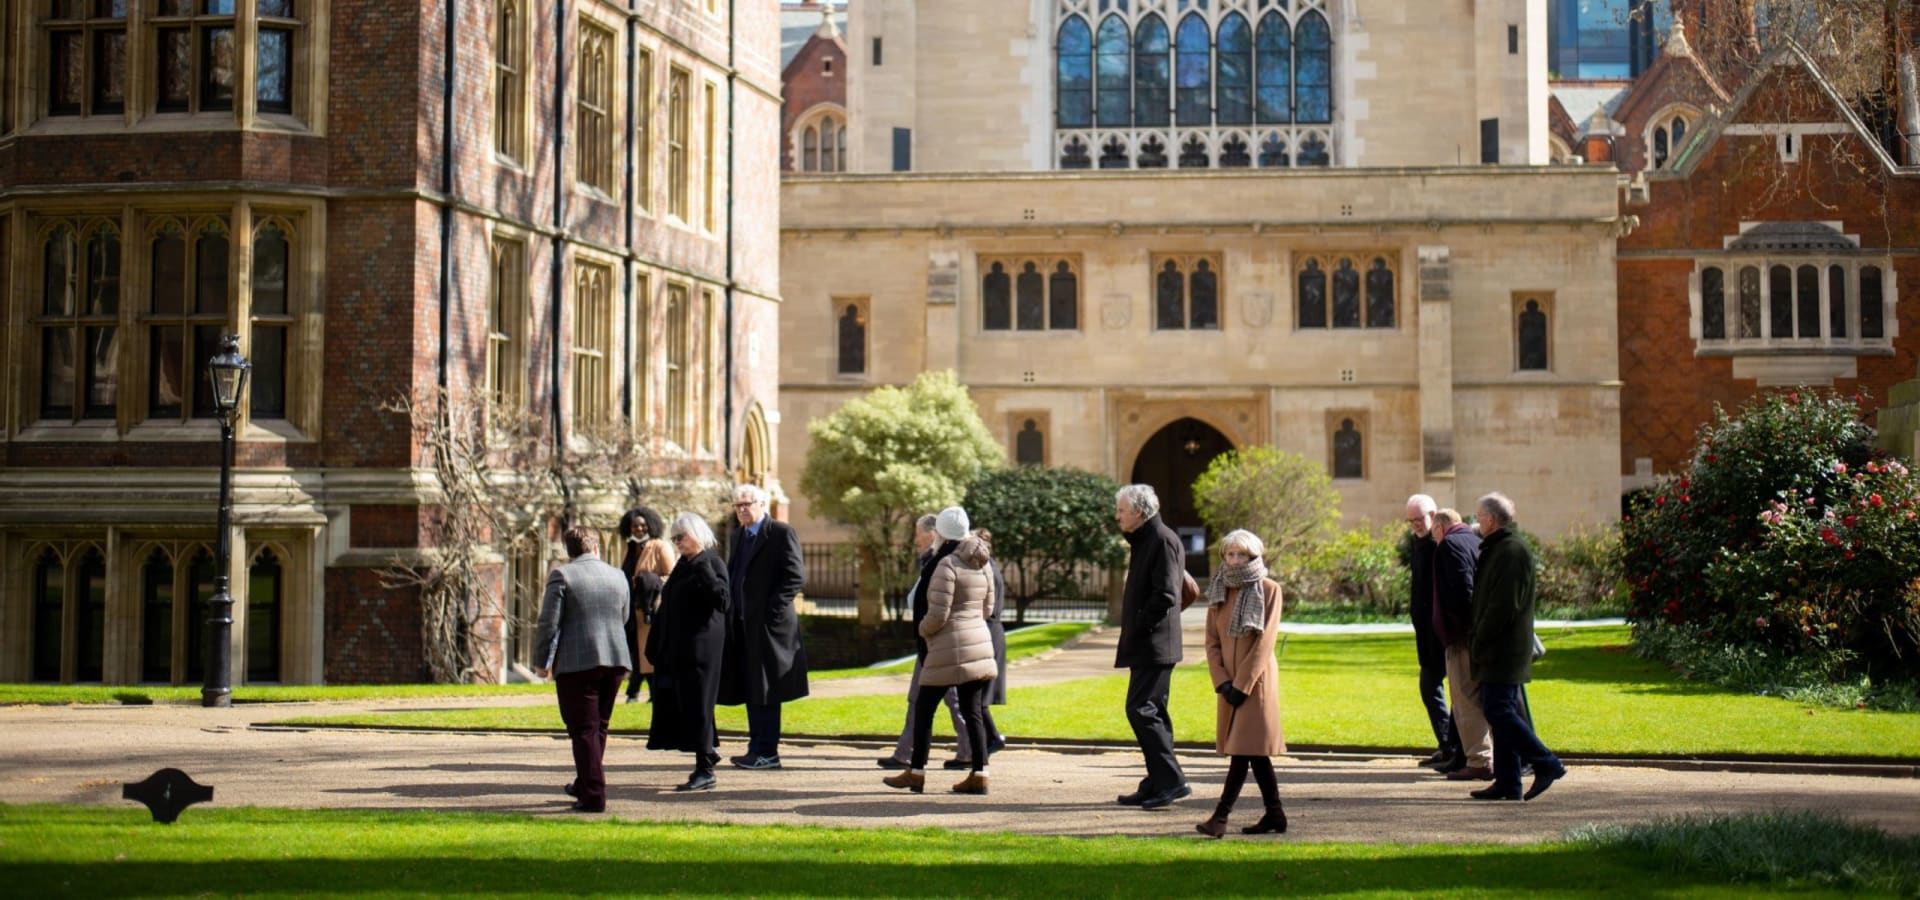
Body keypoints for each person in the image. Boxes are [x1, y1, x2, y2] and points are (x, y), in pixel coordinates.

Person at [884, 515, 999, 795]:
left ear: (942, 533)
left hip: (948, 646)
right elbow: (988, 608)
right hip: (979, 640)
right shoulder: (982, 563)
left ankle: (917, 771)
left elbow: (938, 614)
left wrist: (923, 630)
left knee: (924, 709)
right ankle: (980, 773)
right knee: (972, 710)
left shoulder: (946, 563)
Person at [1468, 492, 1568, 802]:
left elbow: (1503, 606)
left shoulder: (1510, 551)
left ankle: (1545, 762)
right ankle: (1508, 781)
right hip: (1498, 647)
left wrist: (1481, 637)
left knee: (1500, 710)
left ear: (1491, 520)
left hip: (1503, 648)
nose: (1477, 522)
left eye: (1480, 517)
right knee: (1499, 711)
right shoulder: (1502, 548)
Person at [1195, 529, 1289, 838]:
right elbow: (1211, 642)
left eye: (1242, 555)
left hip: (1256, 683)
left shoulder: (1269, 589)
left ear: (1254, 556)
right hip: (1228, 685)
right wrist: (1222, 682)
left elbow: (1265, 642)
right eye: (1230, 554)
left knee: (1242, 751)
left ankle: (1220, 818)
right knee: (1253, 752)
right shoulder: (1220, 590)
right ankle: (1275, 815)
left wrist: (1242, 685)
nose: (1235, 560)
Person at [533, 525, 632, 813]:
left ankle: (593, 795)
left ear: (570, 550)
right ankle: (585, 781)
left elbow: (548, 624)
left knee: (583, 729)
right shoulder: (618, 575)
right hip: (615, 658)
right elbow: (623, 616)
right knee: (599, 726)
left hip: (578, 662)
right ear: (596, 547)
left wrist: (542, 661)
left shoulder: (562, 575)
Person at [719, 483, 808, 770]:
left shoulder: (780, 533)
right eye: (738, 505)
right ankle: (755, 747)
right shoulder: (739, 535)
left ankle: (767, 752)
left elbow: (795, 576)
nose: (742, 509)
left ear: (762, 504)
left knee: (768, 690)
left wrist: (770, 611)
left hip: (770, 628)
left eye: (747, 504)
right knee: (751, 688)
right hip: (744, 627)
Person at [1113, 484, 1189, 810]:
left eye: (1121, 511)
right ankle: (1157, 780)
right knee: (1151, 711)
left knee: (1141, 710)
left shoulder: (1162, 540)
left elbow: (1167, 595)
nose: (1117, 516)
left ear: (1140, 512)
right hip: (1147, 642)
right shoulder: (1146, 540)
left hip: (1155, 642)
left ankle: (1171, 781)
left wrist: (1141, 623)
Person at [646, 512, 731, 792]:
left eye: (680, 537)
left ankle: (704, 769)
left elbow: (722, 600)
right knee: (689, 703)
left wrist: (704, 572)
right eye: (674, 539)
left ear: (696, 534)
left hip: (702, 647)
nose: (677, 543)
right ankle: (706, 753)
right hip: (681, 647)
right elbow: (669, 604)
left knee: (700, 704)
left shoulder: (710, 562)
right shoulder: (684, 564)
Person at [1430, 508, 1492, 781]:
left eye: (1433, 531)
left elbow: (1461, 589)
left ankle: (1479, 759)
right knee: (1483, 698)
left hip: (1462, 636)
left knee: (1465, 699)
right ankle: (1488, 755)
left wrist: (1461, 631)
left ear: (1440, 527)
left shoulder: (1449, 545)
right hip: (1479, 633)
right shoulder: (1475, 540)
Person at [1404, 494, 1460, 771]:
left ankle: (1455, 748)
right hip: (1426, 633)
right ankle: (1448, 745)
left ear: (1434, 515)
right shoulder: (1418, 544)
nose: (1414, 525)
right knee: (1430, 687)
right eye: (1411, 520)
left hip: (1443, 631)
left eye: (1419, 519)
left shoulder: (1443, 545)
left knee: (1454, 689)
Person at [617, 507, 672, 704]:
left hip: (650, 609)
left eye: (642, 525)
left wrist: (649, 581)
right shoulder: (631, 547)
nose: (639, 529)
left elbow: (670, 575)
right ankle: (636, 692)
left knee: (647, 652)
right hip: (631, 608)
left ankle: (641, 693)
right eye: (635, 526)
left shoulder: (659, 546)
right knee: (635, 652)